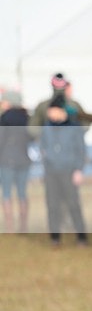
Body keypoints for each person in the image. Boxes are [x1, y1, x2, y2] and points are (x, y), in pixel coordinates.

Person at [38, 92, 89, 245]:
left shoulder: (74, 127)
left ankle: (82, 237)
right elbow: (43, 146)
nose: (50, 113)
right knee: (52, 205)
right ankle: (55, 238)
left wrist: (79, 170)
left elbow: (81, 150)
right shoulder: (46, 127)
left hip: (69, 171)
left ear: (61, 111)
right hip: (51, 172)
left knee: (73, 205)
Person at [0, 90, 32, 233]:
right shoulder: (27, 117)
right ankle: (23, 227)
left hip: (6, 160)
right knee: (22, 193)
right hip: (24, 159)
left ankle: (10, 228)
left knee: (6, 193)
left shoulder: (4, 118)